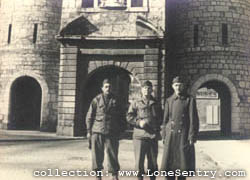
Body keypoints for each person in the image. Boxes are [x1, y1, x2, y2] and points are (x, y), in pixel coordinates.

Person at [86, 78, 126, 180]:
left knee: (113, 154)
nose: (108, 88)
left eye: (110, 86)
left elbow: (122, 116)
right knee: (97, 155)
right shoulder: (96, 100)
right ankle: (98, 175)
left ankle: (114, 175)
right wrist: (88, 131)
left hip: (112, 131)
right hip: (97, 130)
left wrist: (121, 131)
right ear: (102, 88)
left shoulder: (117, 100)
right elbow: (90, 116)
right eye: (106, 87)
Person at [160, 76, 199, 180]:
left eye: (180, 85)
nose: (178, 87)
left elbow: (193, 120)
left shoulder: (189, 100)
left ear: (183, 86)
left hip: (184, 136)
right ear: (173, 86)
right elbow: (165, 120)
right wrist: (163, 134)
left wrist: (192, 136)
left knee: (182, 166)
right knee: (169, 167)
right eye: (176, 85)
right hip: (171, 136)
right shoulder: (169, 100)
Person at [127, 80, 162, 180]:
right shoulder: (136, 103)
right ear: (141, 90)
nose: (147, 90)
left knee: (153, 162)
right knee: (139, 162)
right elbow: (129, 117)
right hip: (139, 137)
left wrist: (158, 129)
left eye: (149, 88)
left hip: (152, 136)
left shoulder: (156, 103)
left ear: (152, 90)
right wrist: (139, 122)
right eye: (145, 88)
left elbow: (161, 118)